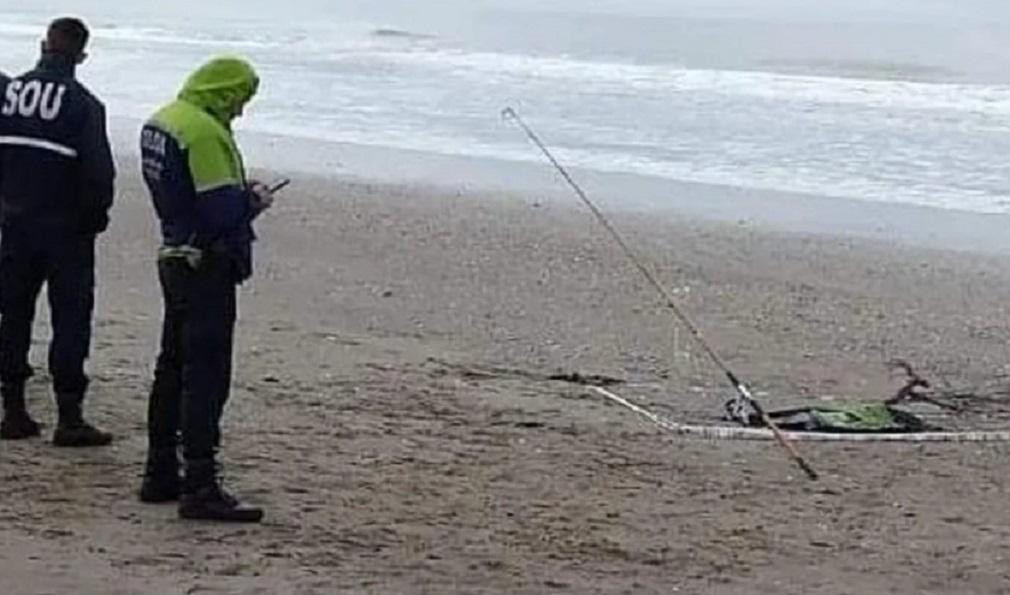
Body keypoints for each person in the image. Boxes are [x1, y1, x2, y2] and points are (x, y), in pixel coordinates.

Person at [138, 56, 274, 522]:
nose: (240, 111)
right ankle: (200, 483)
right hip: (206, 265)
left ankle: (159, 471)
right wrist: (253, 200)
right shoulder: (203, 132)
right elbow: (220, 213)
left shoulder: (164, 120)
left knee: (171, 365)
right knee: (207, 373)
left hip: (173, 253)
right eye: (240, 99)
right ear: (223, 90)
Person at [0, 17, 115, 446]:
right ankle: (69, 417)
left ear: (43, 45)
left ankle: (13, 409)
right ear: (81, 56)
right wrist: (94, 219)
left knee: (13, 314)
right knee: (70, 320)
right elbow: (99, 175)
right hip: (65, 230)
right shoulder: (84, 105)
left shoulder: (10, 95)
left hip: (14, 222)